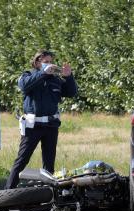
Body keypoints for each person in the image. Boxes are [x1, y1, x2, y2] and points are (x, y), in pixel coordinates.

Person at [4, 50, 78, 189]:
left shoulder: (55, 80)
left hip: (51, 126)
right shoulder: (28, 75)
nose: (50, 64)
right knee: (22, 160)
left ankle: (48, 196)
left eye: (51, 61)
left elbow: (71, 92)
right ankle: (7, 192)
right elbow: (25, 86)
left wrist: (69, 77)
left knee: (49, 163)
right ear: (37, 62)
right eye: (46, 62)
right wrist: (43, 74)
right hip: (33, 126)